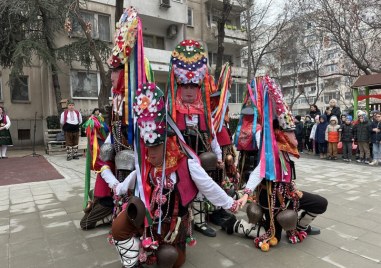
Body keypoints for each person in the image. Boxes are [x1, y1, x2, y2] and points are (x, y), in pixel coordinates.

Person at [111, 83, 239, 268]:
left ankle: (158, 250)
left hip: (172, 227)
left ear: (168, 143)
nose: (150, 153)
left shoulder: (186, 165)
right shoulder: (146, 165)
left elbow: (209, 186)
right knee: (119, 228)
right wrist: (117, 187)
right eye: (148, 147)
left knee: (170, 257)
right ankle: (133, 261)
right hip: (148, 223)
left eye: (156, 147)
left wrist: (231, 203)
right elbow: (130, 181)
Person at [223, 76, 327, 250]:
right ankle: (235, 225)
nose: (294, 137)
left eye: (293, 131)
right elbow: (260, 169)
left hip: (289, 192)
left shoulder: (285, 144)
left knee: (320, 203)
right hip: (270, 197)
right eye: (290, 132)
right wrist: (247, 192)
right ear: (280, 132)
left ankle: (301, 226)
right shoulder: (267, 140)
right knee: (274, 236)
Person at [166, 39, 224, 237]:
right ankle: (182, 218)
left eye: (193, 86)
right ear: (178, 86)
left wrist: (219, 155)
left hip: (200, 157)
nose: (189, 91)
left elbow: (212, 134)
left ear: (199, 87)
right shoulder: (172, 112)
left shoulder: (203, 111)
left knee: (206, 173)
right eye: (185, 86)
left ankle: (201, 218)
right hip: (181, 158)